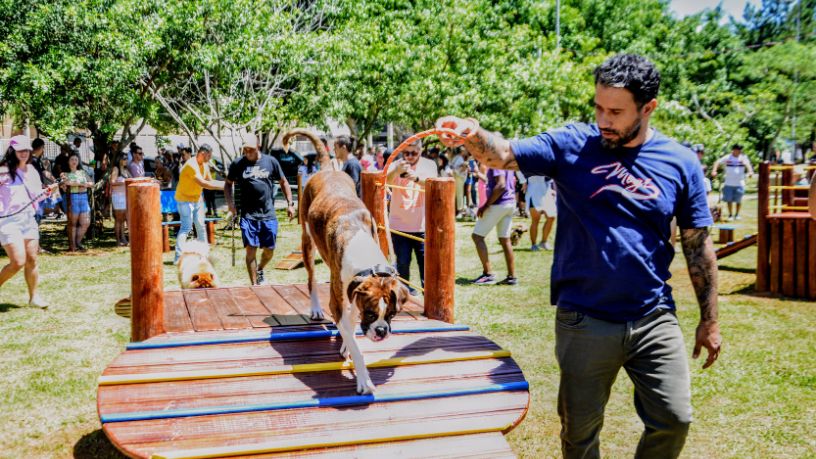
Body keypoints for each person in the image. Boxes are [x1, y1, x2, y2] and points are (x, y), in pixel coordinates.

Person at [436, 53, 720, 459]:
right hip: (585, 319)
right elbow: (502, 154)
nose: (604, 119)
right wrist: (473, 133)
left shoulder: (681, 162)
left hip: (654, 315)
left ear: (648, 108)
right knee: (579, 431)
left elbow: (696, 243)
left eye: (616, 111)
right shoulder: (571, 144)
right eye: (599, 107)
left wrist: (709, 321)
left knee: (675, 419)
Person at [225, 133, 294, 285]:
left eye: (250, 149)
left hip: (268, 214)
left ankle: (260, 268)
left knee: (269, 250)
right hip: (248, 216)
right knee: (251, 250)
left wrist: (290, 203)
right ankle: (255, 285)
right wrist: (231, 205)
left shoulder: (271, 162)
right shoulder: (238, 164)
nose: (247, 152)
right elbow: (228, 183)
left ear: (258, 147)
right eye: (245, 150)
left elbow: (283, 182)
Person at [0, 136, 58, 308]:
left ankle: (34, 298)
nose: (24, 153)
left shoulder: (32, 170)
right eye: (20, 150)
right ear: (12, 151)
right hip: (8, 220)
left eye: (26, 150)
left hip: (28, 218)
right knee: (18, 261)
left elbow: (35, 196)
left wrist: (47, 191)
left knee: (32, 259)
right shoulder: (3, 171)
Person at [385, 136, 438, 294]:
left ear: (420, 150)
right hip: (399, 225)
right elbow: (384, 182)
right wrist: (396, 171)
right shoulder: (394, 165)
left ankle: (428, 304)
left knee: (426, 268)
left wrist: (415, 178)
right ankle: (403, 305)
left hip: (422, 225)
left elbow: (433, 184)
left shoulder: (429, 165)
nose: (409, 157)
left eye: (413, 153)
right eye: (406, 153)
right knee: (402, 267)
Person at [174, 143, 224, 262]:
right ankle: (178, 257)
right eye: (209, 156)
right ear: (203, 154)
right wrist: (225, 187)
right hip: (184, 201)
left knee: (201, 227)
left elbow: (210, 181)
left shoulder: (205, 165)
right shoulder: (191, 165)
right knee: (186, 228)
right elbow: (204, 184)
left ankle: (204, 255)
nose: (210, 158)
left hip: (196, 200)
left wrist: (227, 184)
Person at [470, 167, 517, 285]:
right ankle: (512, 277)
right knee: (505, 240)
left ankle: (488, 274)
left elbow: (501, 185)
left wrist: (485, 205)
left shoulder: (496, 163)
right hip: (510, 203)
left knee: (477, 236)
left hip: (499, 204)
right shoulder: (506, 162)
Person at [711, 144, 753, 220]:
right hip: (728, 183)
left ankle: (737, 215)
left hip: (740, 183)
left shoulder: (743, 158)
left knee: (738, 200)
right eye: (737, 149)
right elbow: (717, 162)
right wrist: (714, 170)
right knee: (729, 200)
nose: (739, 151)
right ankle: (730, 215)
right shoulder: (727, 157)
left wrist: (750, 172)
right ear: (733, 150)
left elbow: (748, 165)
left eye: (740, 150)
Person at [63, 153, 93, 252]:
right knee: (73, 223)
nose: (74, 161)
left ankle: (77, 242)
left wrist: (81, 184)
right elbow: (67, 182)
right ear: (68, 161)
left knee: (86, 222)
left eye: (76, 159)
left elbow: (91, 183)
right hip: (73, 198)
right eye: (72, 159)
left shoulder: (83, 172)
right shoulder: (65, 174)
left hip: (84, 197)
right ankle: (73, 245)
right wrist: (82, 184)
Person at [523, 173, 557, 251]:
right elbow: (519, 169)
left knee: (551, 217)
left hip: (547, 190)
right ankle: (533, 245)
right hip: (534, 189)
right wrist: (523, 181)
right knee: (536, 219)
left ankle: (543, 242)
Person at [110, 154, 132, 246]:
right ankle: (118, 240)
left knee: (123, 219)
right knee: (119, 219)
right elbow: (112, 182)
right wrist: (123, 183)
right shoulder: (116, 169)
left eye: (127, 159)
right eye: (124, 159)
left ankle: (123, 238)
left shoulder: (126, 170)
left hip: (125, 196)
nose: (126, 160)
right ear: (119, 159)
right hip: (118, 196)